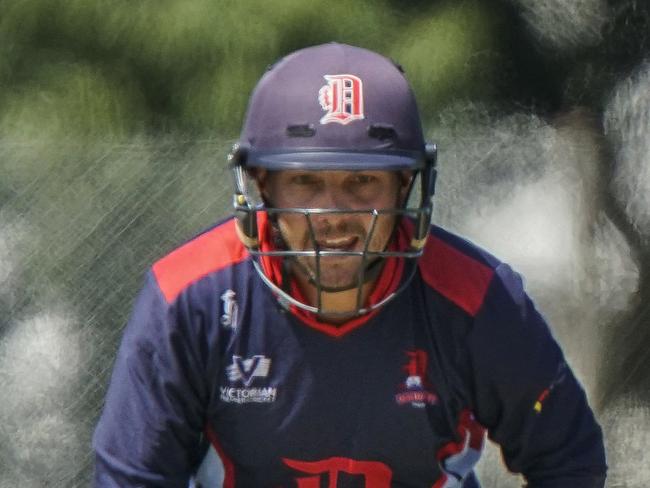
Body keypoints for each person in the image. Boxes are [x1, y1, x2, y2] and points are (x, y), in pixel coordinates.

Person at [93, 43, 607, 487]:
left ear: (406, 186)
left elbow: (569, 458)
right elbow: (132, 477)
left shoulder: (476, 298)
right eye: (306, 183)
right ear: (261, 187)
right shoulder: (187, 296)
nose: (334, 216)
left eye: (362, 182)